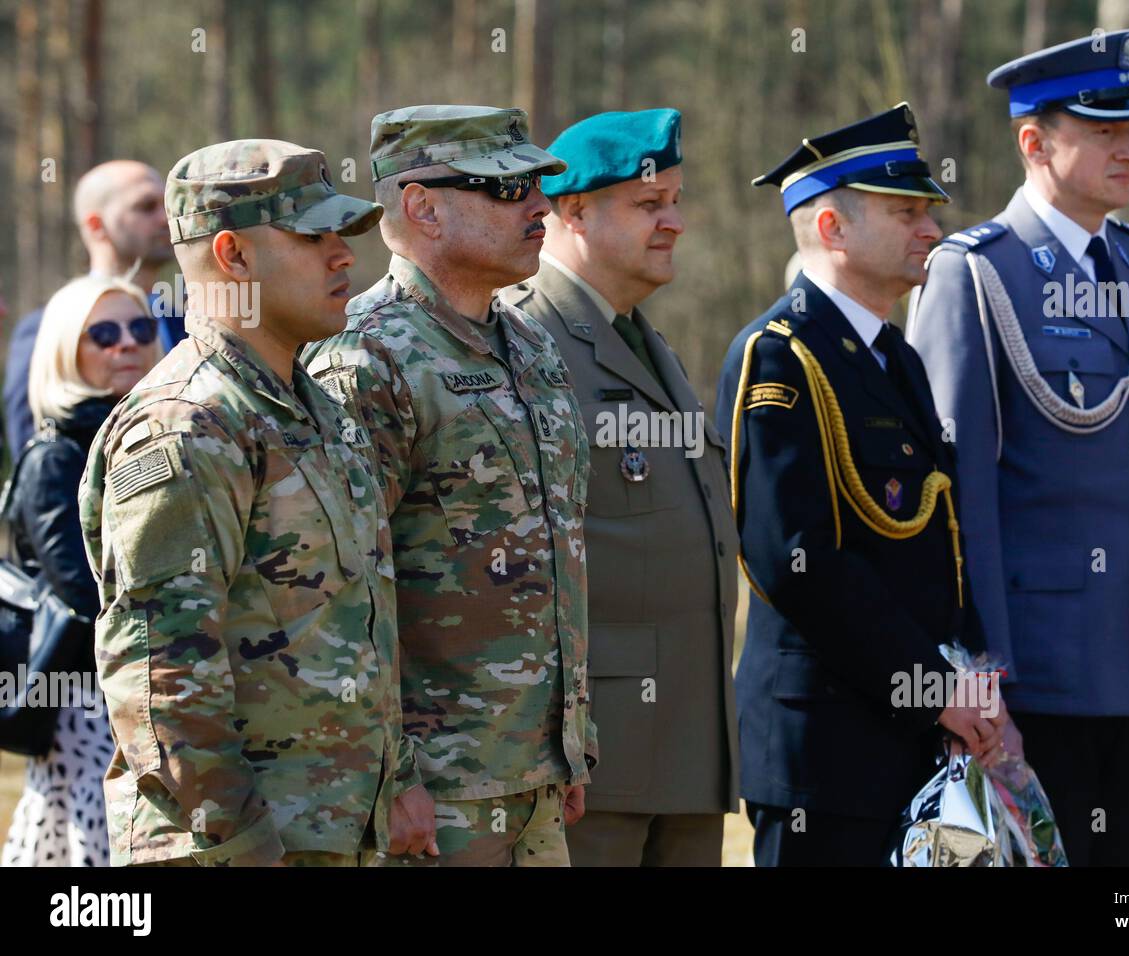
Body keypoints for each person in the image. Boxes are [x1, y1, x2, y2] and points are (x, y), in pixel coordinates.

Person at [79, 139, 437, 866]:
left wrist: (395, 779)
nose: (344, 256)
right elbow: (161, 675)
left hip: (335, 833)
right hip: (237, 845)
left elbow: (360, 617)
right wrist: (240, 843)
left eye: (344, 236)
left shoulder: (314, 408)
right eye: (315, 236)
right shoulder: (188, 422)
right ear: (234, 257)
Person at [907, 29, 1129, 866]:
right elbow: (958, 498)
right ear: (1034, 143)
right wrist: (978, 674)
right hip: (1036, 677)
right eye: (1105, 130)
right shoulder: (975, 274)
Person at [302, 105, 595, 867]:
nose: (539, 207)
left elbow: (557, 551)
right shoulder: (365, 360)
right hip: (430, 793)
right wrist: (391, 776)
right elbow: (345, 593)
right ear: (421, 207)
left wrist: (568, 741)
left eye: (538, 185)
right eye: (505, 189)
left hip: (531, 774)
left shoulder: (530, 346)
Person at [716, 104, 999, 867]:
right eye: (905, 212)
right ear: (833, 229)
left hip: (913, 732)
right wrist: (931, 684)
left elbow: (937, 539)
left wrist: (965, 674)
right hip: (825, 753)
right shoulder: (779, 358)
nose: (931, 232)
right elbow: (795, 561)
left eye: (927, 213)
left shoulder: (895, 360)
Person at [500, 109, 740, 867]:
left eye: (675, 201)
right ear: (573, 212)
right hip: (593, 758)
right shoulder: (526, 339)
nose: (674, 222)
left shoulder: (644, 340)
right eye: (648, 205)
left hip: (686, 744)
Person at [1, 275, 161, 867]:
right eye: (103, 333)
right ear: (67, 351)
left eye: (140, 328)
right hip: (91, 701)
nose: (127, 344)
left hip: (155, 686)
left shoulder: (154, 432)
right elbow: (87, 592)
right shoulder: (56, 458)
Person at [4, 160, 184, 454]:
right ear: (96, 225)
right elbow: (31, 448)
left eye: (166, 204)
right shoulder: (46, 326)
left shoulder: (181, 321)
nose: (165, 218)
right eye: (146, 206)